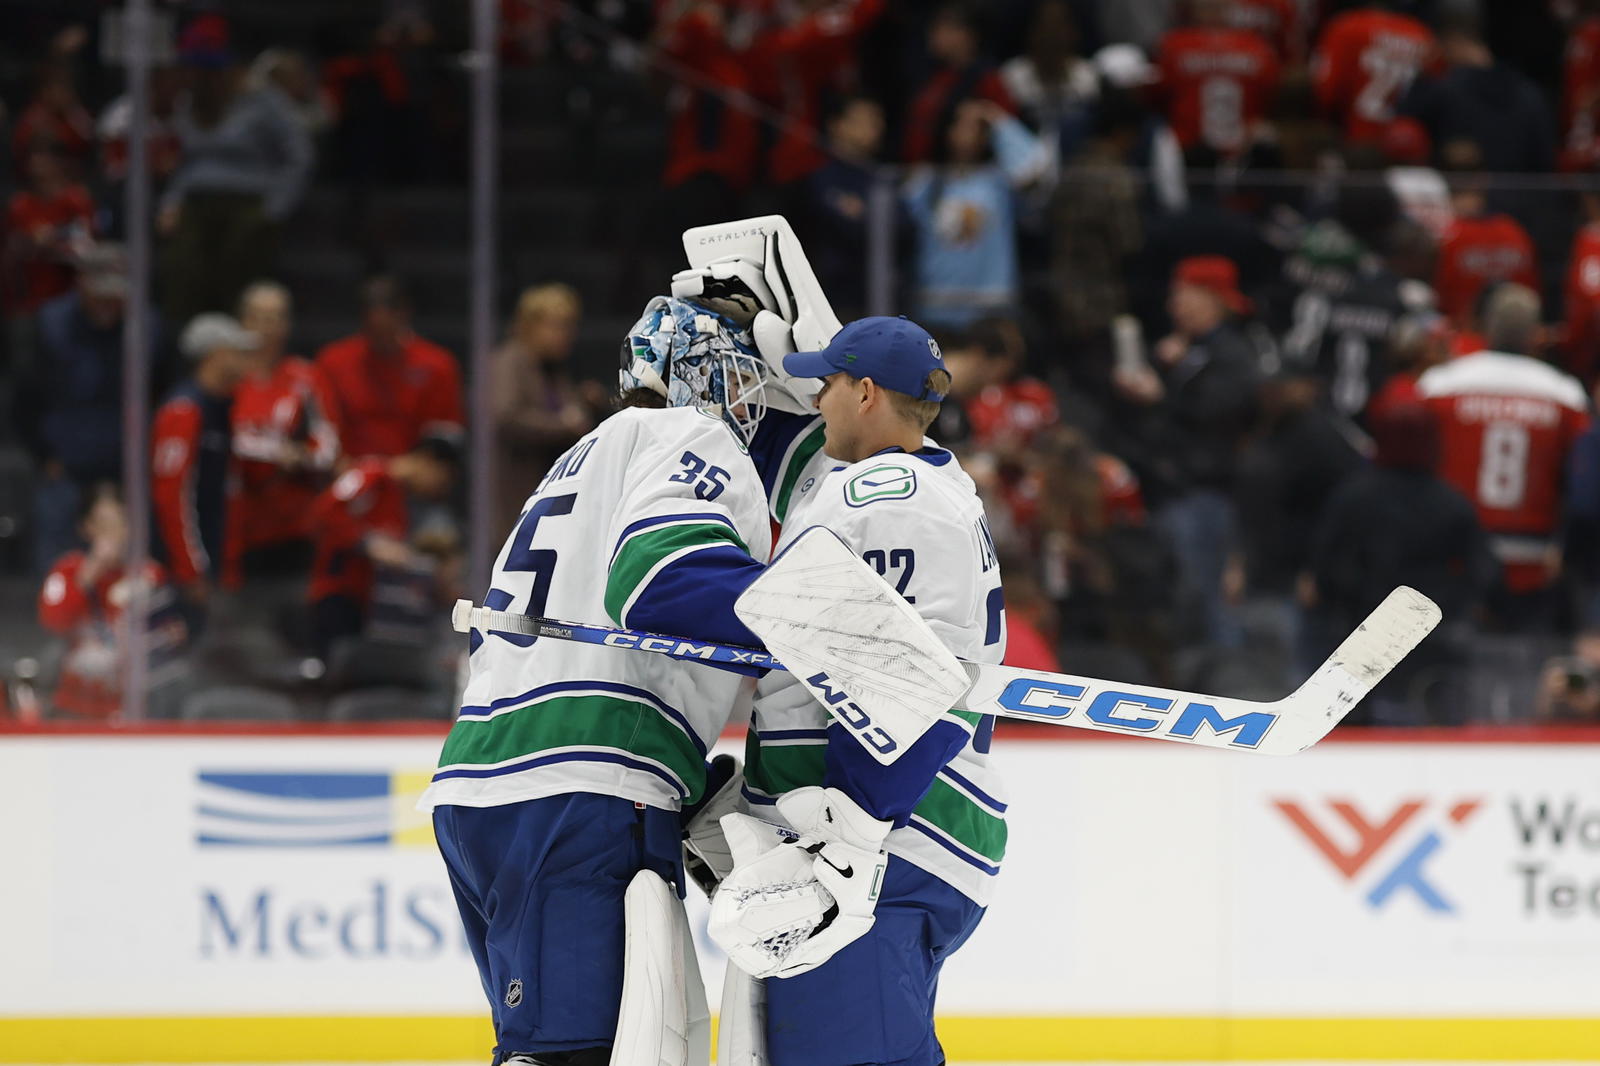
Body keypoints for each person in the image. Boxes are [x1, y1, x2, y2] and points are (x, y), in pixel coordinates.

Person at [416, 295, 778, 1065]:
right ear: (694, 374)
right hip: (581, 785)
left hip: (482, 784)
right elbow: (660, 578)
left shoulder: (580, 453)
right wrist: (809, 629)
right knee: (575, 1055)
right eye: (739, 375)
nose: (751, 399)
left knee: (552, 1045)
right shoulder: (697, 435)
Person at [728, 314, 1007, 1066]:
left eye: (826, 384)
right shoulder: (918, 485)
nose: (816, 401)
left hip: (886, 841)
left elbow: (904, 680)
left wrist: (852, 827)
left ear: (866, 393)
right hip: (890, 835)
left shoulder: (888, 493)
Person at [1418, 284, 1593, 632]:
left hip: (1450, 555)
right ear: (1536, 335)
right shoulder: (1565, 395)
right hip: (1531, 560)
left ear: (1486, 327)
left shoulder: (1440, 386)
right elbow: (1581, 480)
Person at [157, 13, 315, 326]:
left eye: (203, 69)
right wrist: (171, 202)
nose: (194, 76)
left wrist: (275, 207)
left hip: (248, 203)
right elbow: (185, 163)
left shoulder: (262, 101)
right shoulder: (189, 104)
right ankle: (186, 350)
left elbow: (300, 155)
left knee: (237, 273)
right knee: (182, 270)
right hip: (197, 202)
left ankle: (241, 349)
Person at [37, 484, 184, 719]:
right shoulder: (67, 570)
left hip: (133, 705)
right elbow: (52, 622)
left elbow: (167, 635)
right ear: (87, 528)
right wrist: (87, 577)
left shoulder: (149, 574)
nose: (114, 534)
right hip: (74, 705)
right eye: (105, 525)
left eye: (121, 524)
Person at [225, 281, 339, 584]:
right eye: (258, 317)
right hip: (235, 524)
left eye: (276, 317)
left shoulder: (305, 378)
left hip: (293, 526)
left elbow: (328, 447)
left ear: (287, 324)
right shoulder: (227, 377)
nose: (267, 327)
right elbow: (219, 440)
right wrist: (275, 452)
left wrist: (301, 455)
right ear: (243, 321)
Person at [305, 434, 457, 657]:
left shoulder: (400, 503)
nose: (438, 488)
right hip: (335, 594)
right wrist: (367, 544)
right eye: (441, 478)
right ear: (427, 461)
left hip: (367, 604)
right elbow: (323, 513)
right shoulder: (370, 475)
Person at [151, 313, 255, 615]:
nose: (246, 360)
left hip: (212, 558)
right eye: (238, 352)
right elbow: (171, 496)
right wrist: (189, 569)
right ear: (216, 355)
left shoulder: (223, 407)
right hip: (183, 570)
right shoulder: (184, 410)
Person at [490, 283, 601, 543]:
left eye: (570, 326)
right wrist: (563, 424)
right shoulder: (508, 361)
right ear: (530, 325)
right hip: (511, 497)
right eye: (557, 326)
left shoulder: (552, 370)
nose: (566, 335)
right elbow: (505, 417)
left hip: (544, 500)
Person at [314, 274, 463, 461]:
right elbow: (323, 430)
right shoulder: (333, 362)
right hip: (349, 472)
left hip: (414, 473)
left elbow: (445, 438)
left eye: (387, 329)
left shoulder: (437, 365)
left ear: (404, 315)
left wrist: (410, 467)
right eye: (373, 330)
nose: (381, 339)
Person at [1310, 0, 1435, 145]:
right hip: (1406, 143)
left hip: (1354, 139)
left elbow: (1326, 93)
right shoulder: (1419, 32)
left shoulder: (1347, 27)